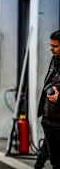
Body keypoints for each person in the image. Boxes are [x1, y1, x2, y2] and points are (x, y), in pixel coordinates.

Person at [37, 29, 60, 168]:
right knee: (55, 162)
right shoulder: (55, 59)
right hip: (49, 120)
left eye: (55, 46)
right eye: (50, 45)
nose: (51, 49)